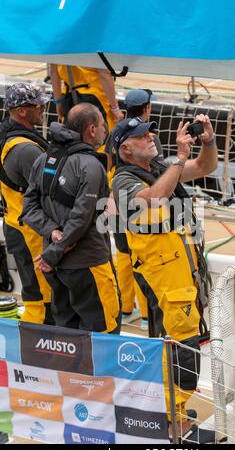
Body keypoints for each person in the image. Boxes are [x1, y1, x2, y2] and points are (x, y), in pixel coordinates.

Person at [111, 115, 217, 429]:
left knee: (179, 344)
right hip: (164, 280)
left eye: (151, 133)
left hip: (181, 275)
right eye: (144, 136)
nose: (152, 137)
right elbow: (151, 199)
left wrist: (207, 141)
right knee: (181, 348)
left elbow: (205, 167)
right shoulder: (123, 180)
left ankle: (171, 411)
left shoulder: (158, 170)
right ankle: (172, 420)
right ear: (126, 149)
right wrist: (180, 158)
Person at [21, 103, 121, 333]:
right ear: (92, 129)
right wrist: (55, 251)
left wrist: (52, 232)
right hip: (87, 264)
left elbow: (28, 208)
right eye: (104, 126)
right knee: (103, 332)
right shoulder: (91, 165)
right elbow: (82, 218)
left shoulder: (43, 159)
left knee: (66, 333)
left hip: (56, 270)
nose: (106, 131)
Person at [107, 89, 162, 331]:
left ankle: (126, 307)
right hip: (141, 203)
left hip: (116, 197)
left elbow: (108, 164)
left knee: (122, 254)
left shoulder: (116, 134)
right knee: (140, 255)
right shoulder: (149, 137)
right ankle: (148, 311)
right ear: (147, 108)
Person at [0, 83, 52, 324]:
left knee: (36, 293)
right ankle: (42, 350)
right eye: (37, 104)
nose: (43, 107)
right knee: (42, 298)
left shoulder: (10, 137)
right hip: (30, 231)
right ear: (21, 111)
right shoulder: (25, 149)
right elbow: (52, 188)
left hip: (19, 223)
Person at [50, 64, 124, 131]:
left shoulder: (54, 48)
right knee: (99, 136)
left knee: (72, 135)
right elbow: (104, 74)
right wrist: (115, 107)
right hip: (95, 97)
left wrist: (58, 101)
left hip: (68, 96)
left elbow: (54, 73)